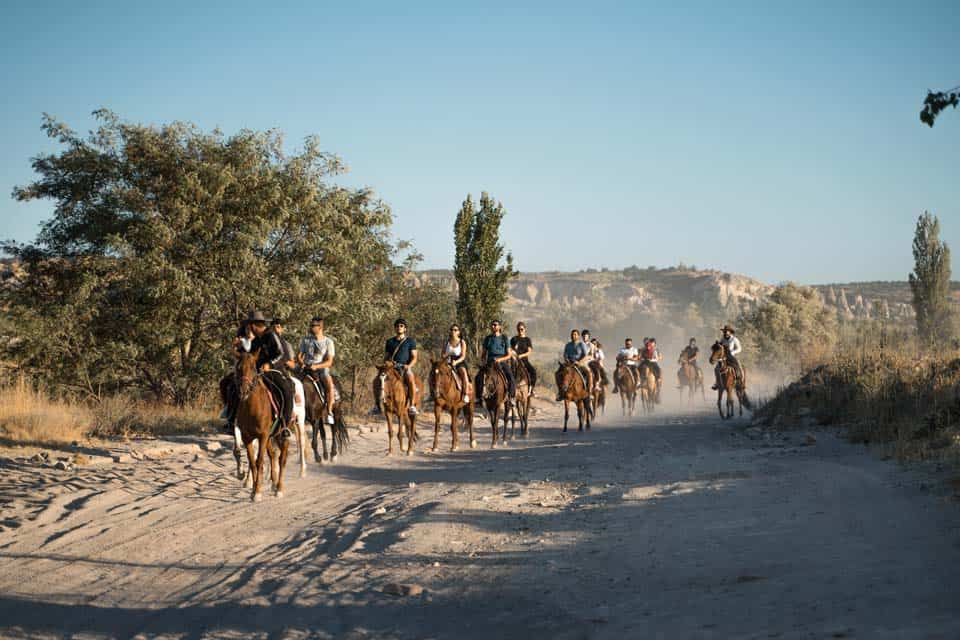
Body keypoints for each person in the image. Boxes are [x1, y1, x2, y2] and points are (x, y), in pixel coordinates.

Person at [246, 310, 296, 435]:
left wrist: (270, 364)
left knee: (287, 389)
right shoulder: (255, 341)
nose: (248, 328)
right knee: (237, 386)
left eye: (249, 325)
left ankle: (285, 424)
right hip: (257, 373)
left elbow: (282, 354)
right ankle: (234, 420)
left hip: (274, 370)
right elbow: (251, 357)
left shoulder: (272, 335)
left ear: (253, 325)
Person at [299, 316, 336, 425]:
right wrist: (302, 363)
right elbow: (299, 356)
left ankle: (329, 411)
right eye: (311, 325)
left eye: (313, 326)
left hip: (321, 369)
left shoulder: (328, 342)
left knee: (329, 384)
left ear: (320, 327)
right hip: (306, 368)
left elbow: (329, 362)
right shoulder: (306, 340)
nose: (311, 328)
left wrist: (317, 366)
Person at [385, 318, 420, 415]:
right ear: (394, 328)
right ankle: (377, 405)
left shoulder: (410, 341)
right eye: (397, 326)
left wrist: (409, 366)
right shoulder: (390, 342)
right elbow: (386, 357)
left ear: (405, 328)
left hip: (405, 367)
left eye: (401, 326)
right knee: (379, 379)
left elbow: (414, 357)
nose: (399, 328)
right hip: (392, 367)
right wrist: (387, 364)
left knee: (411, 380)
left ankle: (412, 406)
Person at [477, 319, 516, 406]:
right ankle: (478, 398)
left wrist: (500, 360)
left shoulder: (504, 338)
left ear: (499, 327)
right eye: (492, 325)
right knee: (478, 376)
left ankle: (511, 397)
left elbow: (509, 355)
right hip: (490, 361)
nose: (493, 326)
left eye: (495, 325)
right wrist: (483, 361)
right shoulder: (488, 339)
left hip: (501, 361)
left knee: (510, 376)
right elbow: (483, 353)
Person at [557, 329, 593, 401]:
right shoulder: (568, 345)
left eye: (575, 335)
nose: (573, 336)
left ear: (578, 336)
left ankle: (589, 392)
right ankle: (561, 392)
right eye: (572, 335)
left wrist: (579, 362)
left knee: (589, 373)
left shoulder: (581, 344)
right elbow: (565, 355)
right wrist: (567, 360)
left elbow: (586, 355)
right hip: (569, 364)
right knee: (557, 373)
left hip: (580, 363)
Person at [440, 323, 471, 404]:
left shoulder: (462, 342)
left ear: (459, 332)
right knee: (436, 372)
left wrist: (456, 362)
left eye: (455, 330)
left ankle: (465, 394)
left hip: (459, 361)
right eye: (451, 330)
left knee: (464, 373)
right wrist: (446, 356)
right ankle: (434, 393)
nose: (453, 331)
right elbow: (442, 354)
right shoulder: (446, 342)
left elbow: (463, 356)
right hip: (447, 361)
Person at [510, 321, 537, 397]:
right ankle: (509, 391)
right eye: (518, 329)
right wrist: (513, 353)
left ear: (525, 329)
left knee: (533, 372)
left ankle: (531, 389)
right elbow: (510, 349)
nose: (520, 331)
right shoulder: (514, 339)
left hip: (524, 360)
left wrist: (521, 356)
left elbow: (529, 351)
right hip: (515, 361)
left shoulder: (527, 340)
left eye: (521, 329)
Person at [713, 324, 743, 390]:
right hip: (723, 357)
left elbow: (739, 348)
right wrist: (717, 344)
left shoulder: (734, 339)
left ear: (730, 332)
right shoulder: (723, 339)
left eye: (727, 331)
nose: (726, 332)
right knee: (716, 368)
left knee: (737, 367)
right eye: (725, 331)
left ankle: (739, 381)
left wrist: (733, 352)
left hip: (731, 356)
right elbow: (720, 346)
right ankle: (717, 383)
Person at [642, 337, 663, 401]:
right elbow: (641, 355)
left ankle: (658, 384)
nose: (652, 344)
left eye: (653, 343)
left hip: (653, 363)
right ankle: (639, 381)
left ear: (655, 343)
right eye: (651, 343)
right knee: (640, 368)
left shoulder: (656, 349)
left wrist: (656, 358)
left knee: (659, 370)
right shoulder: (644, 349)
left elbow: (660, 357)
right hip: (646, 362)